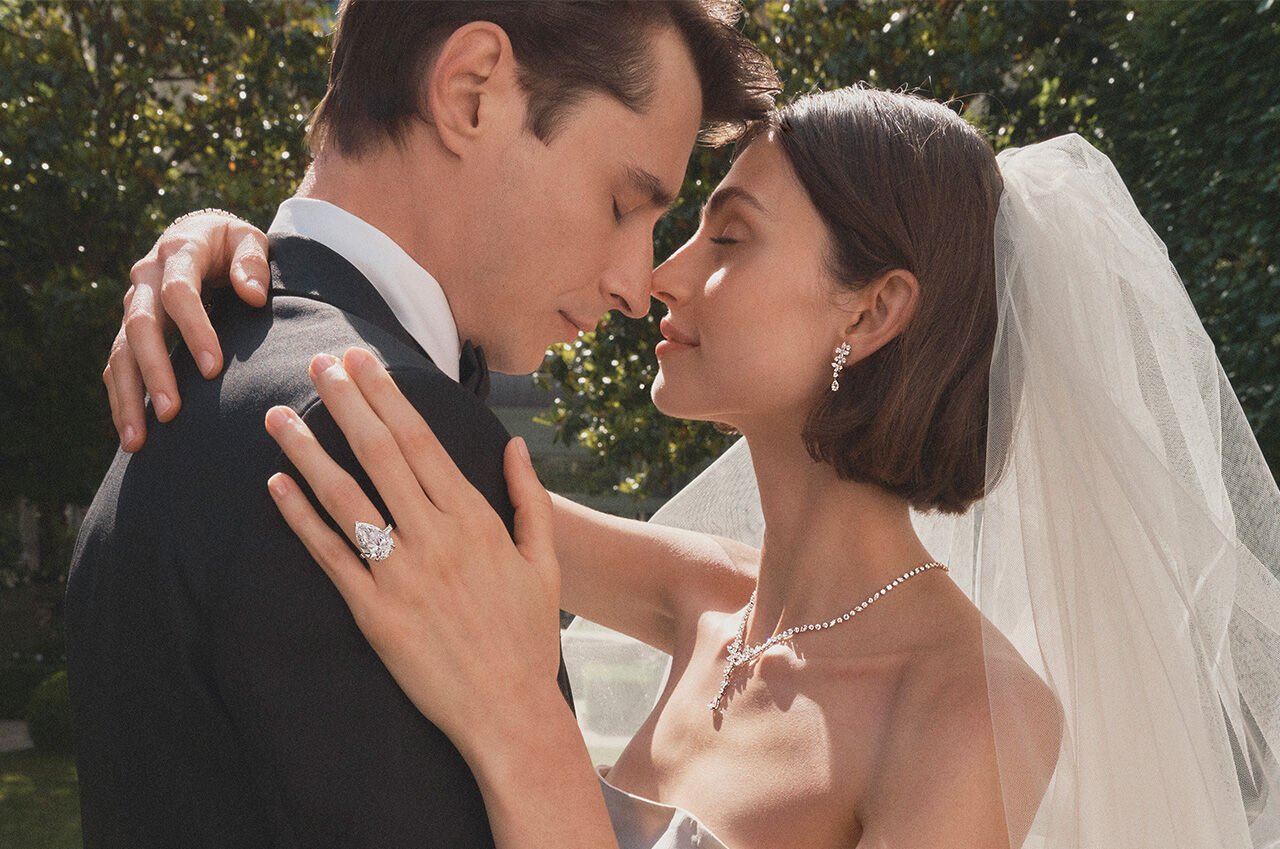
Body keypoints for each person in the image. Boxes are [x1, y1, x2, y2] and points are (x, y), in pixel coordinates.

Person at [105, 89, 1280, 848]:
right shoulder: (698, 596)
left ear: (869, 312)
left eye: (726, 237)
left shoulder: (966, 713)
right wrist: (243, 253)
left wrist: (523, 733)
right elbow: (385, 447)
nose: (660, 276)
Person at [66, 3, 778, 848]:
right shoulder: (385, 433)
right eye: (625, 202)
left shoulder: (197, 369)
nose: (635, 284)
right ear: (472, 90)